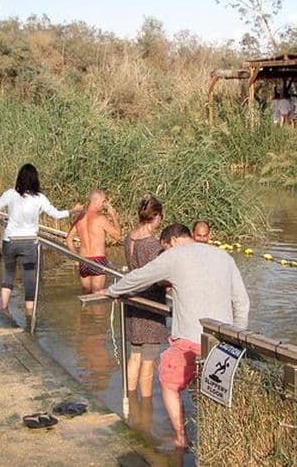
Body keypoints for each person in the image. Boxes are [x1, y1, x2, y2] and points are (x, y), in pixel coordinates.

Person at [108, 223, 250, 449]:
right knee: (214, 390)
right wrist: (236, 336)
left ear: (171, 241)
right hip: (221, 341)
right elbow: (242, 302)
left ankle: (181, 437)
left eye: (164, 249)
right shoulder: (224, 257)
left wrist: (112, 291)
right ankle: (221, 442)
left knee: (169, 383)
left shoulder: (174, 256)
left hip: (188, 340)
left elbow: (139, 277)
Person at [0, 164, 81, 326]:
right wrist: (73, 210)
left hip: (10, 241)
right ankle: (29, 314)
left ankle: (4, 306)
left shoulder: (10, 194)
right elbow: (55, 214)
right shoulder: (39, 198)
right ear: (36, 179)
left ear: (19, 178)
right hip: (29, 243)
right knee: (29, 278)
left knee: (9, 273)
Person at [123, 195, 168, 399]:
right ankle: (146, 407)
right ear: (156, 216)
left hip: (132, 300)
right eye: (160, 218)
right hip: (150, 304)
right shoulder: (153, 245)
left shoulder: (129, 238)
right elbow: (160, 278)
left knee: (135, 355)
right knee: (149, 359)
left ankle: (131, 400)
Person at [66, 190, 122, 294]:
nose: (105, 204)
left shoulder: (80, 218)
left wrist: (76, 256)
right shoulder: (100, 218)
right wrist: (113, 215)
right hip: (98, 260)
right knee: (98, 295)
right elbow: (118, 237)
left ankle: (87, 311)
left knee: (86, 294)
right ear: (96, 200)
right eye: (103, 201)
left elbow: (69, 239)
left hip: (83, 260)